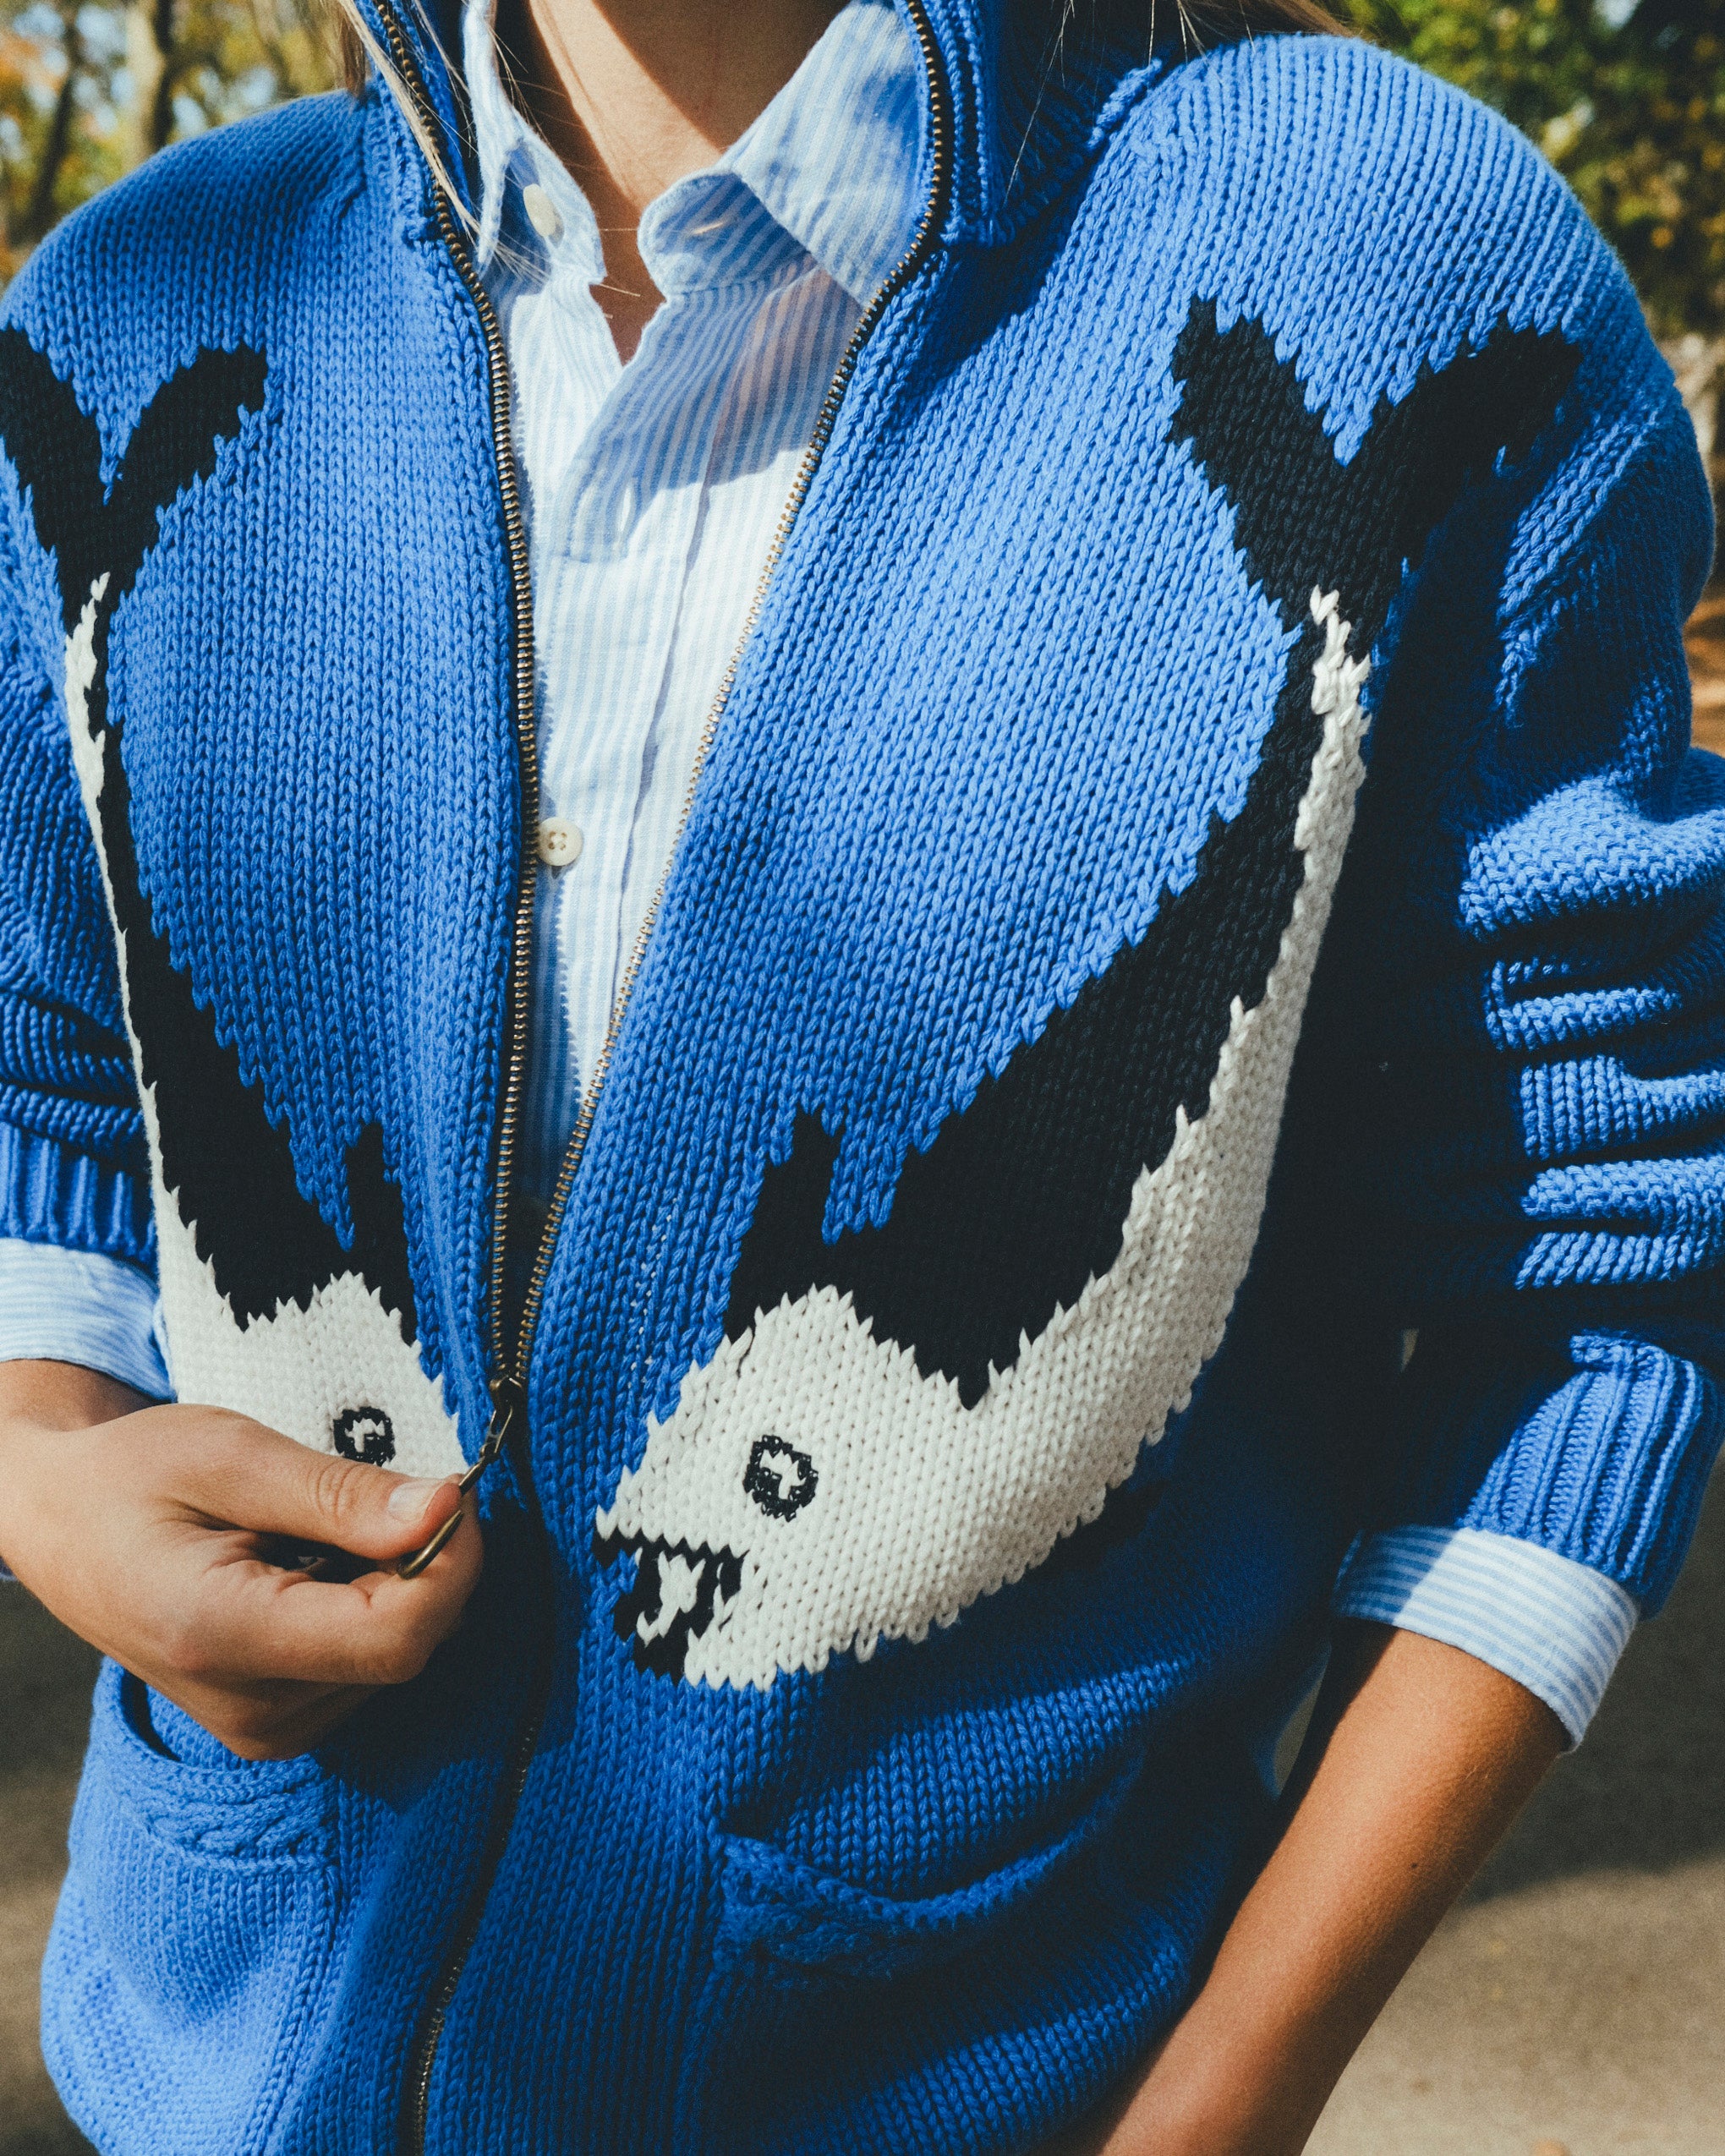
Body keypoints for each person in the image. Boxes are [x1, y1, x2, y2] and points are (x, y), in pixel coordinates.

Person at [0, 0, 1717, 2147]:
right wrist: (45, 1466)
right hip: (178, 2080)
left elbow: (1582, 1294)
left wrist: (1225, 2099)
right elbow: (48, 1073)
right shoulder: (128, 314)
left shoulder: (1408, 272)